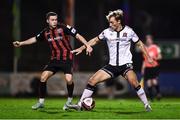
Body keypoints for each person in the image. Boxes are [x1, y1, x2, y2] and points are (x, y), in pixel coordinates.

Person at [68, 9, 154, 112]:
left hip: (125, 65)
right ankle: (79, 105)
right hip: (112, 66)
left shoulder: (129, 31)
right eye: (109, 22)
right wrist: (82, 48)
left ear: (119, 21)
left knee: (134, 82)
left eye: (112, 22)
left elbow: (139, 44)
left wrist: (148, 56)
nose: (110, 24)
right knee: (92, 81)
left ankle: (146, 105)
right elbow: (95, 40)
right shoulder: (107, 32)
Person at [13, 12, 93, 110]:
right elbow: (34, 39)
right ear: (47, 21)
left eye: (56, 19)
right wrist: (21, 43)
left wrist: (87, 45)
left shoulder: (64, 27)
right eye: (52, 20)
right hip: (54, 59)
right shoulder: (45, 32)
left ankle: (69, 101)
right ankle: (41, 102)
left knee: (69, 80)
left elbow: (78, 35)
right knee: (43, 77)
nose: (55, 21)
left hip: (66, 58)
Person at [141, 34, 162, 101]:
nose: (148, 40)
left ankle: (158, 93)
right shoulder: (145, 49)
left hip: (154, 66)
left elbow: (160, 57)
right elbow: (144, 60)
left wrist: (154, 57)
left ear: (151, 40)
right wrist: (143, 68)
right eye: (147, 39)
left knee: (154, 81)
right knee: (149, 83)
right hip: (147, 68)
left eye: (149, 39)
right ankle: (151, 98)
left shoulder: (155, 47)